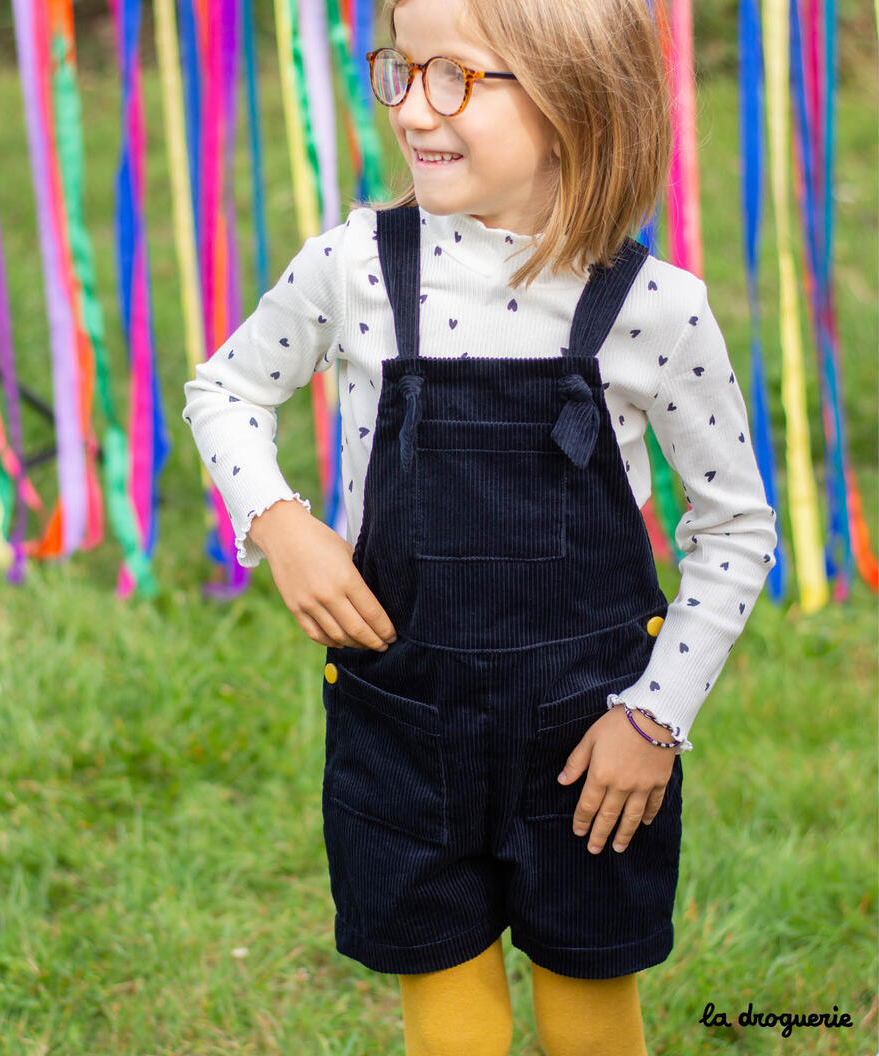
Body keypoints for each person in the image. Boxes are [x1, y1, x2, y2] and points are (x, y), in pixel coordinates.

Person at [184, 0, 777, 1051]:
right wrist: (280, 522)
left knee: (590, 1008)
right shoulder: (355, 266)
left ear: (573, 101)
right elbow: (226, 390)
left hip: (591, 745)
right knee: (447, 1014)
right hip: (402, 726)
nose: (414, 107)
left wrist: (655, 720)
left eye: (455, 76)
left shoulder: (658, 308)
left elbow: (732, 534)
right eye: (400, 70)